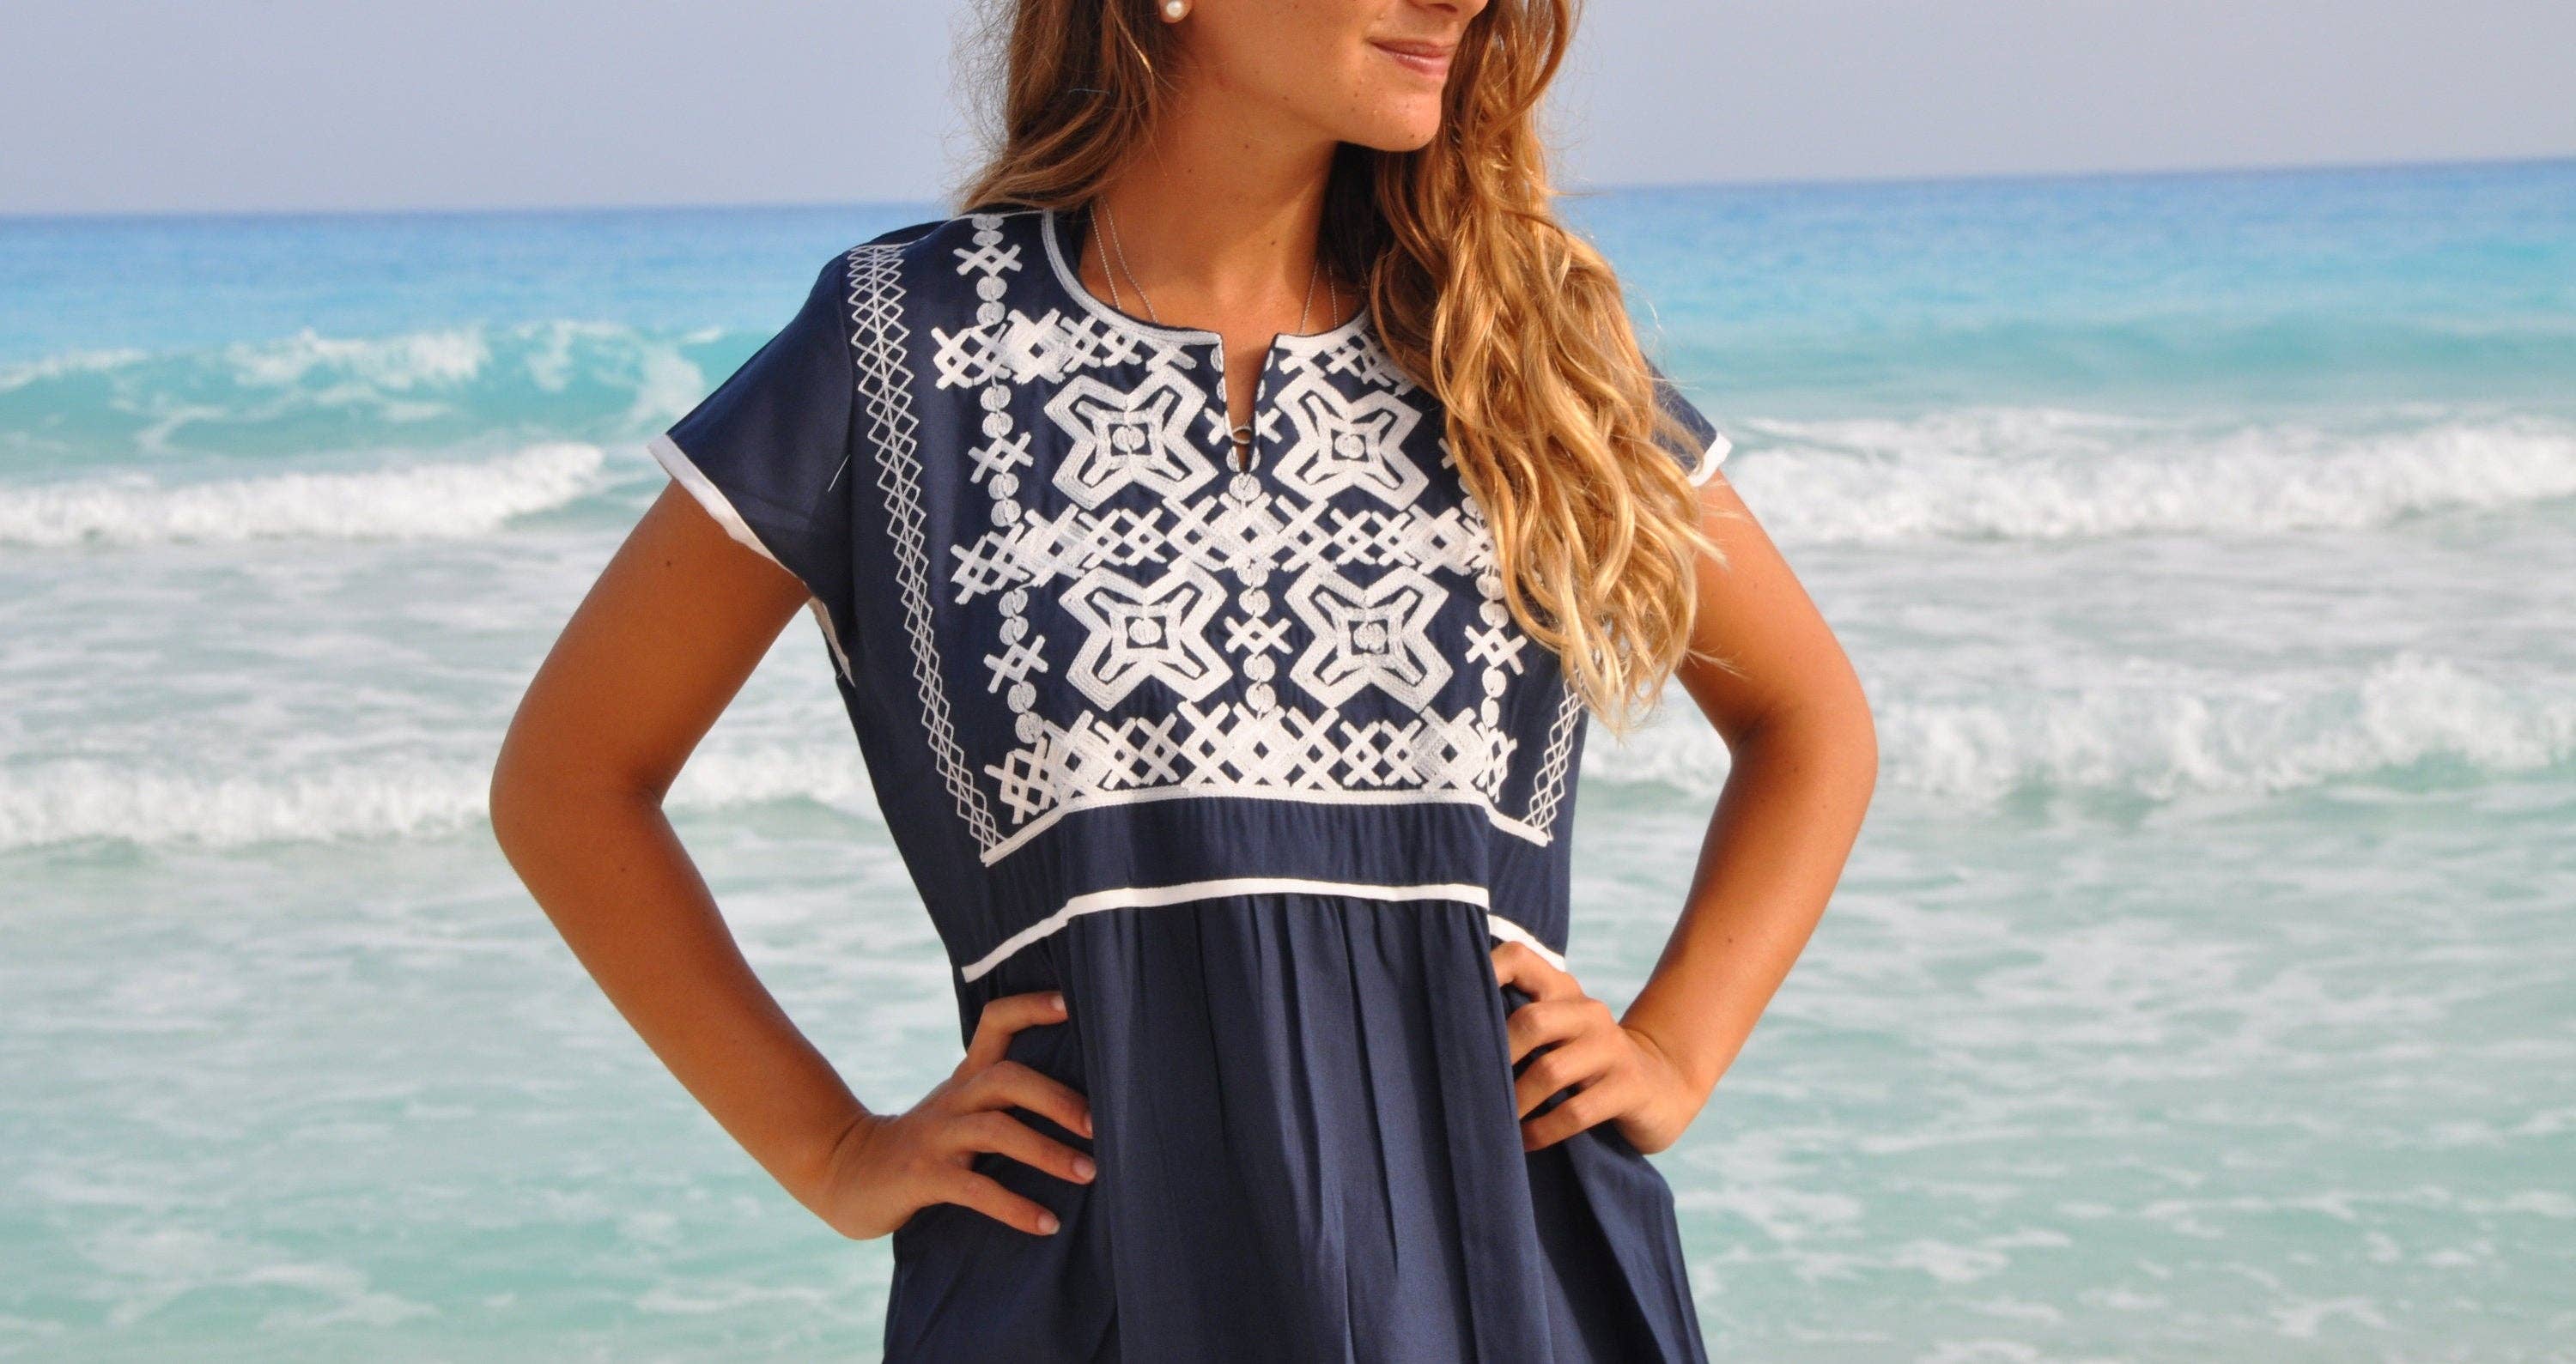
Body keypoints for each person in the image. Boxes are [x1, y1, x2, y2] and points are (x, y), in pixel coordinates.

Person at [489, 0, 1877, 1357]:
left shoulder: (1518, 346)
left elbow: (1810, 719)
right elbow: (571, 779)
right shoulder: (901, 345)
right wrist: (835, 1148)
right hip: (1100, 1279)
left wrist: (1674, 1050)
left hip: (1507, 1267)